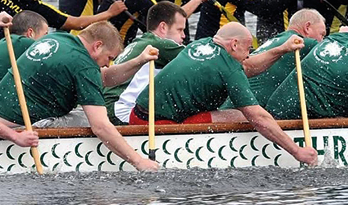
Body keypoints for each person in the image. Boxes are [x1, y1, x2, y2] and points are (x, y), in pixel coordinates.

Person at [128, 21, 318, 166]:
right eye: (248, 49)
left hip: (136, 115)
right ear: (234, 44)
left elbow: (247, 66)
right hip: (155, 126)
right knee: (240, 114)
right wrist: (296, 151)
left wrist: (282, 49)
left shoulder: (202, 44)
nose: (248, 54)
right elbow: (259, 118)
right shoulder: (228, 70)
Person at [0, 21, 161, 170]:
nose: (108, 64)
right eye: (109, 58)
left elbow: (104, 78)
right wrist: (139, 161)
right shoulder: (83, 66)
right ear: (97, 46)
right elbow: (100, 127)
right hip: (12, 129)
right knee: (96, 121)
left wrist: (140, 60)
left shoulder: (56, 39)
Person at [103, 1, 188, 124]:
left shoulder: (139, 41)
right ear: (163, 27)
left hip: (106, 108)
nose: (184, 36)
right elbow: (198, 59)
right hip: (119, 112)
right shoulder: (159, 45)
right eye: (180, 30)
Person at [247, 8, 327, 106]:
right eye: (322, 34)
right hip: (246, 115)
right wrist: (346, 35)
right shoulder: (302, 43)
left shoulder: (274, 40)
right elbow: (340, 53)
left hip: (232, 109)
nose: (321, 40)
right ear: (307, 27)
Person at [0, 10, 48, 90]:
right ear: (30, 33)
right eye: (45, 35)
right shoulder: (22, 42)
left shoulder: (4, 42)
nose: (47, 39)